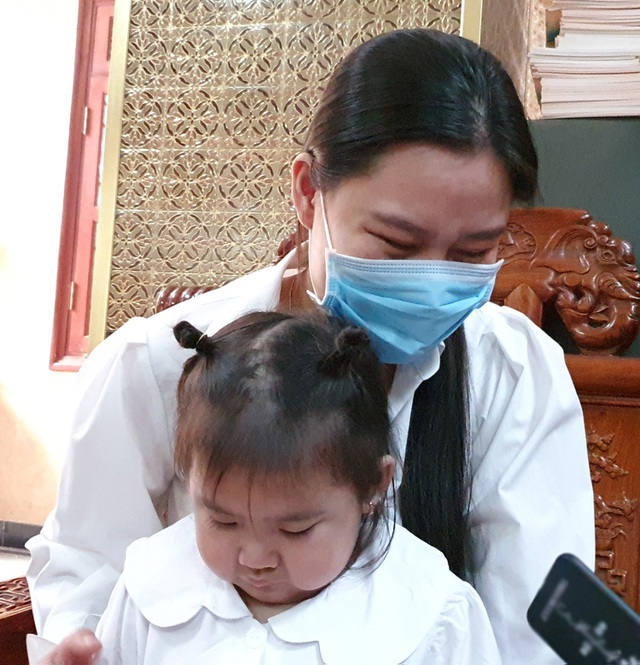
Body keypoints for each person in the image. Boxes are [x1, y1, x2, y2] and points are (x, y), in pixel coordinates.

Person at [27, 27, 594, 664]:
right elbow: (87, 571)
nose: (431, 280)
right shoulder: (158, 362)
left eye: (472, 252)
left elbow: (546, 627)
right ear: (308, 193)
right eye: (396, 244)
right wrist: (80, 644)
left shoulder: (515, 374)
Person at [34, 311, 504, 664]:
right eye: (222, 521)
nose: (255, 558)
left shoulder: (433, 615)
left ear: (373, 487)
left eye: (295, 530)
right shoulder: (152, 581)